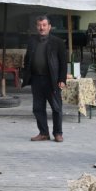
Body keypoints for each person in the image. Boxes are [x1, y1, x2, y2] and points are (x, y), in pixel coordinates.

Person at [22, 15, 67, 143]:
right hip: (36, 80)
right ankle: (43, 133)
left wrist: (62, 79)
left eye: (44, 25)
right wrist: (25, 75)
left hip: (52, 80)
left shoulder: (57, 42)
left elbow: (63, 63)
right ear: (37, 26)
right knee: (37, 108)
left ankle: (58, 133)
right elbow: (27, 59)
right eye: (39, 25)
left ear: (49, 27)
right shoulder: (32, 41)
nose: (41, 28)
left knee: (57, 108)